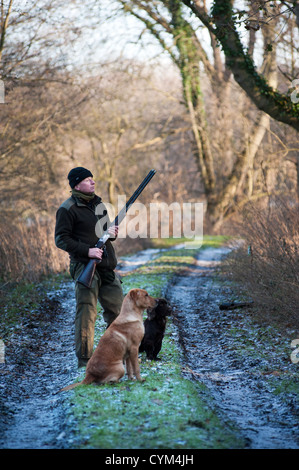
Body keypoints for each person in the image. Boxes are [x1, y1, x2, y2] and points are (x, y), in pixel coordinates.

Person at [55, 167, 124, 367]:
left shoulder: (98, 203)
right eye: (87, 179)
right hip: (84, 266)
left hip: (106, 267)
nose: (93, 182)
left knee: (118, 312)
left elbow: (106, 235)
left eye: (92, 179)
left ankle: (117, 356)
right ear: (77, 185)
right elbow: (61, 239)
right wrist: (88, 251)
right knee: (87, 313)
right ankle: (85, 361)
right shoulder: (67, 209)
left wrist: (112, 232)